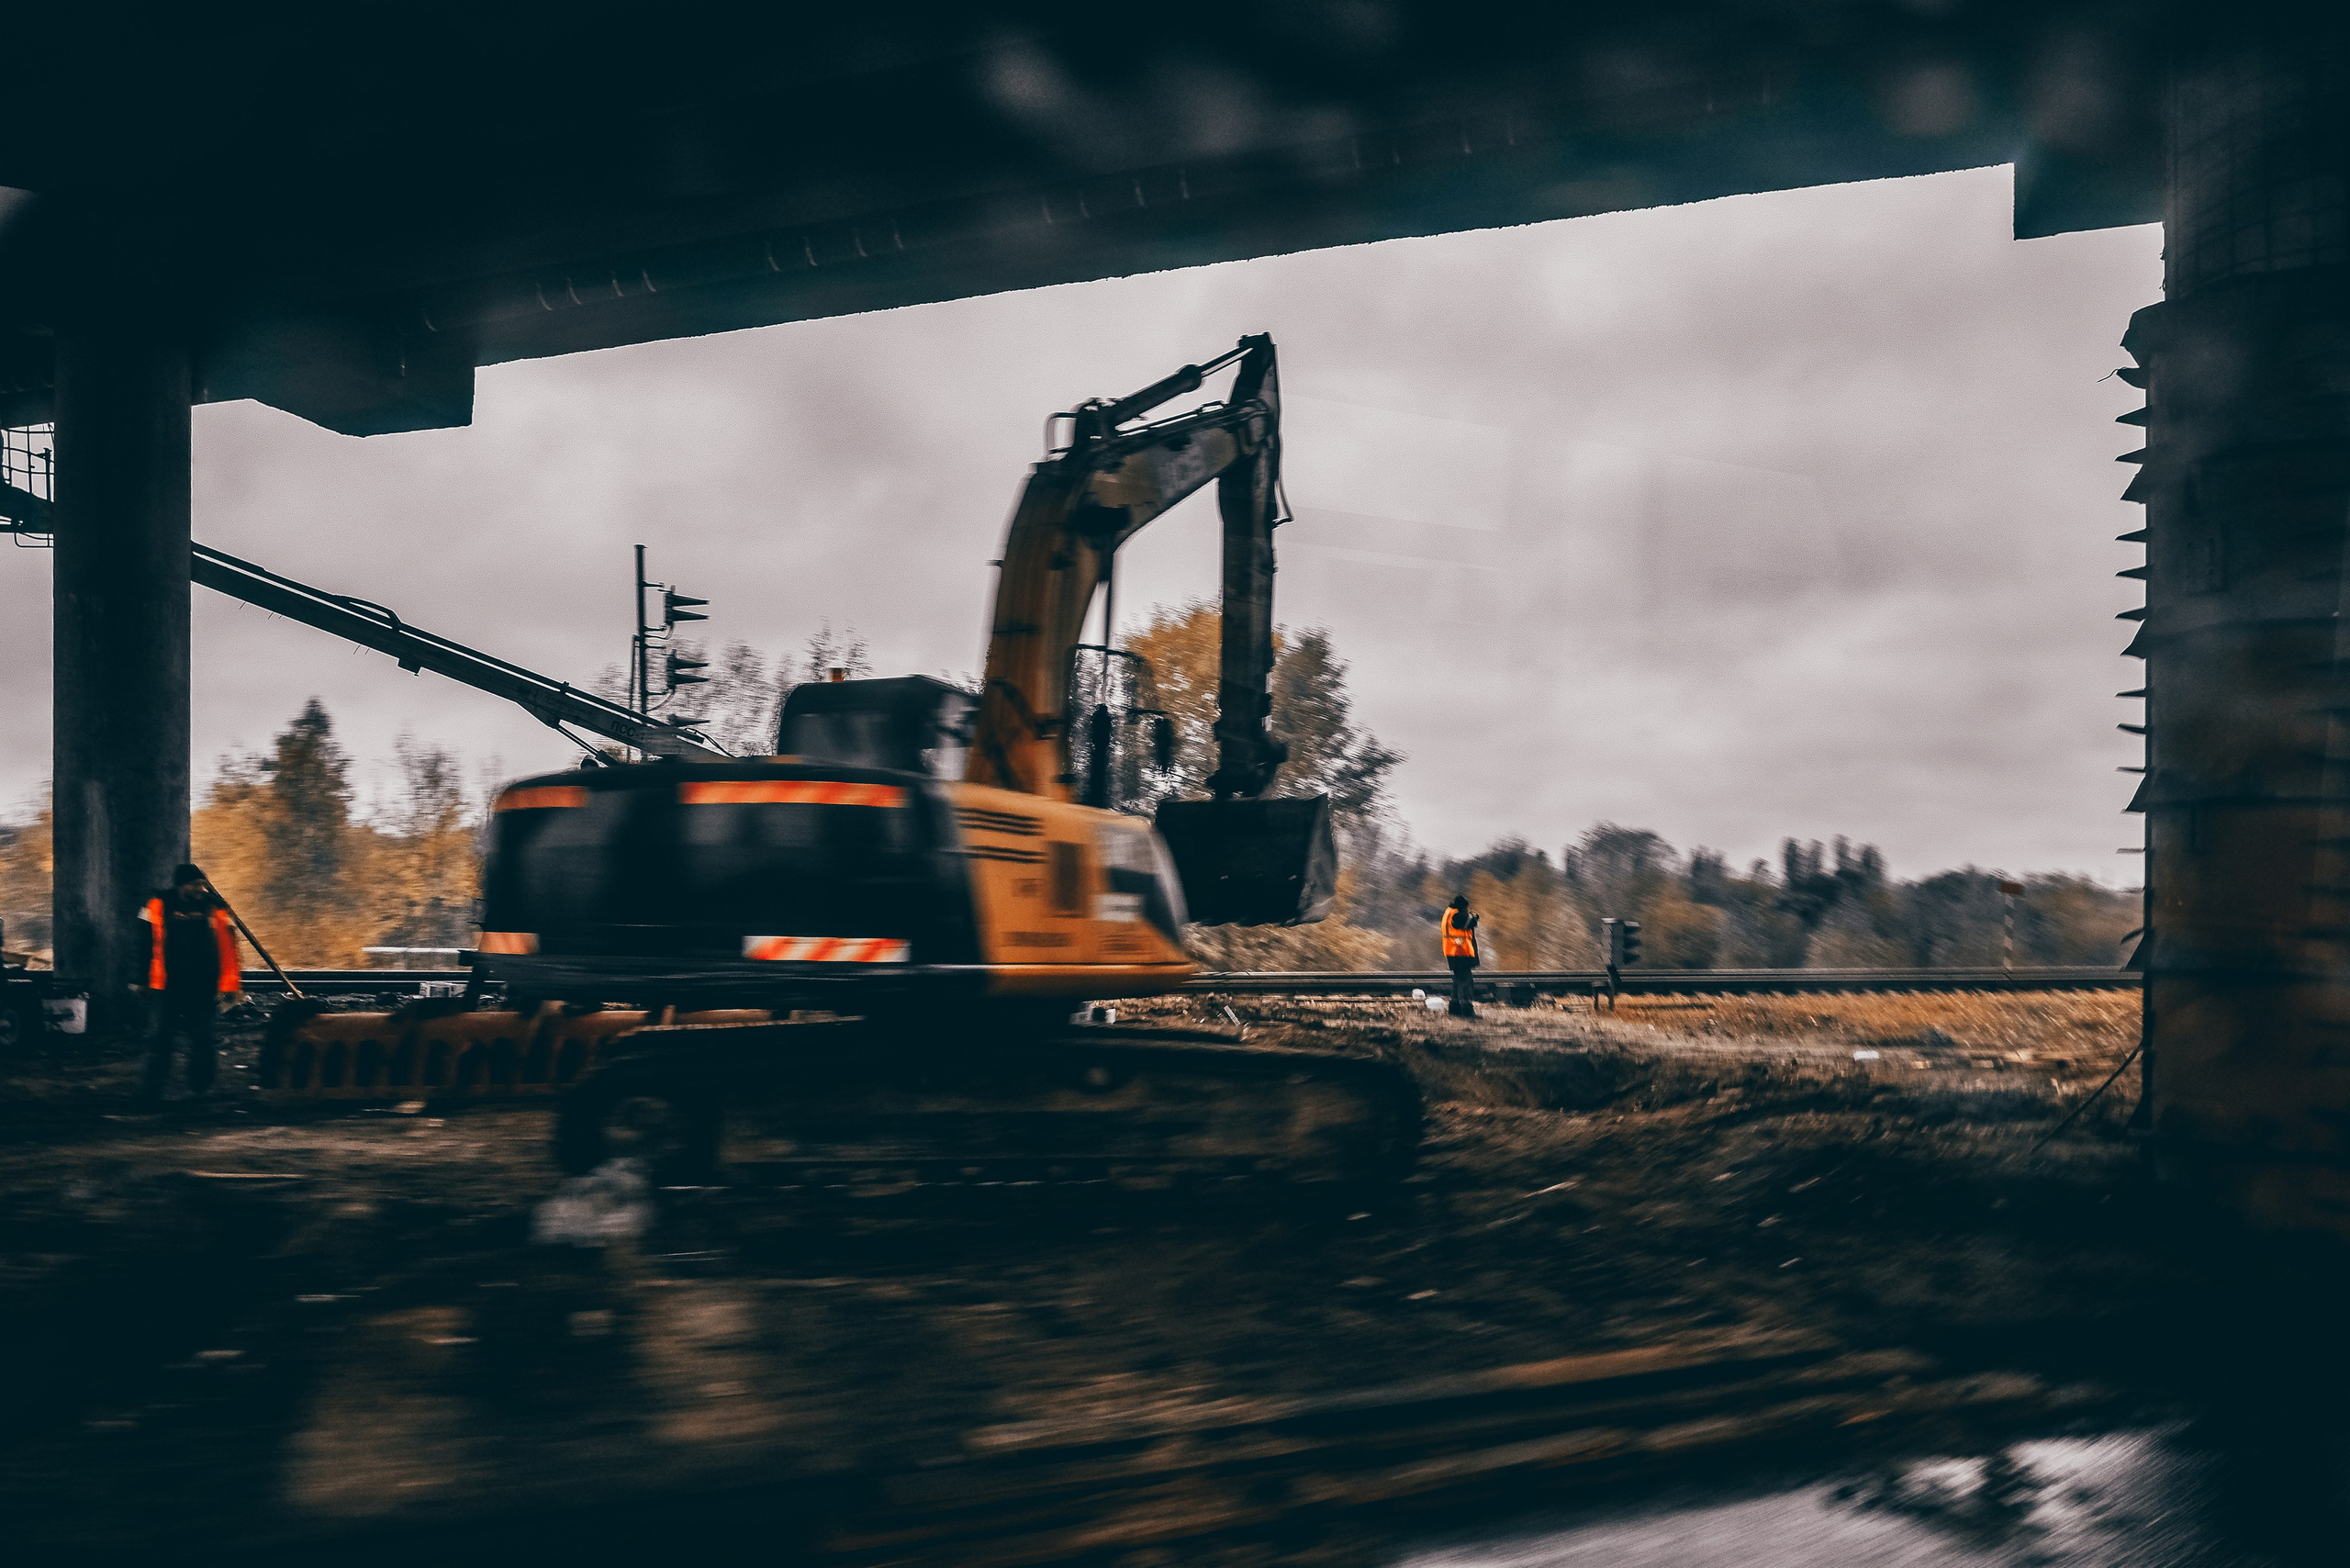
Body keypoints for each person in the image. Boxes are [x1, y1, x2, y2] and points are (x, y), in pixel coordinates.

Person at [137, 864, 241, 1102]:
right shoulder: (156, 905)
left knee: (203, 1040)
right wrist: (139, 979)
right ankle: (152, 1092)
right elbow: (143, 945)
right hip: (166, 988)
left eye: (202, 884)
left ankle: (201, 1090)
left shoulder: (215, 907)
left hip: (202, 988)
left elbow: (228, 949)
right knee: (160, 1040)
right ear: (181, 885)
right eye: (195, 885)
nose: (200, 889)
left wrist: (230, 987)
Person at [1440, 893, 1479, 1018]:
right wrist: (1474, 917)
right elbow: (1468, 922)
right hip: (1460, 952)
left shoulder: (1449, 912)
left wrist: (1471, 917)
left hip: (1452, 952)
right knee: (1466, 981)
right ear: (1462, 907)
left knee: (1458, 980)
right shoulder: (1457, 916)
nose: (1467, 910)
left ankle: (1454, 1009)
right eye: (1466, 908)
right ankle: (1467, 1011)